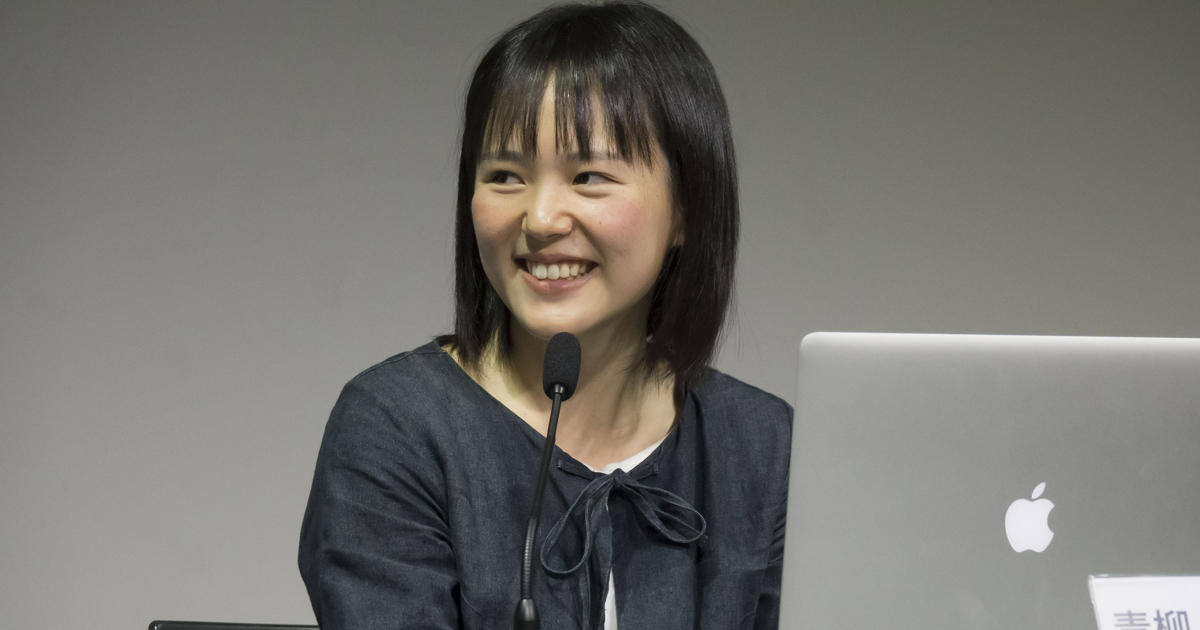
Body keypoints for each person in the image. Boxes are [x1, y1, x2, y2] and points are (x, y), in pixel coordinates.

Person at [298, 2, 792, 629]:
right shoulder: (396, 426)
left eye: (589, 176)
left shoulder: (762, 444)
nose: (539, 219)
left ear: (686, 209)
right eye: (505, 175)